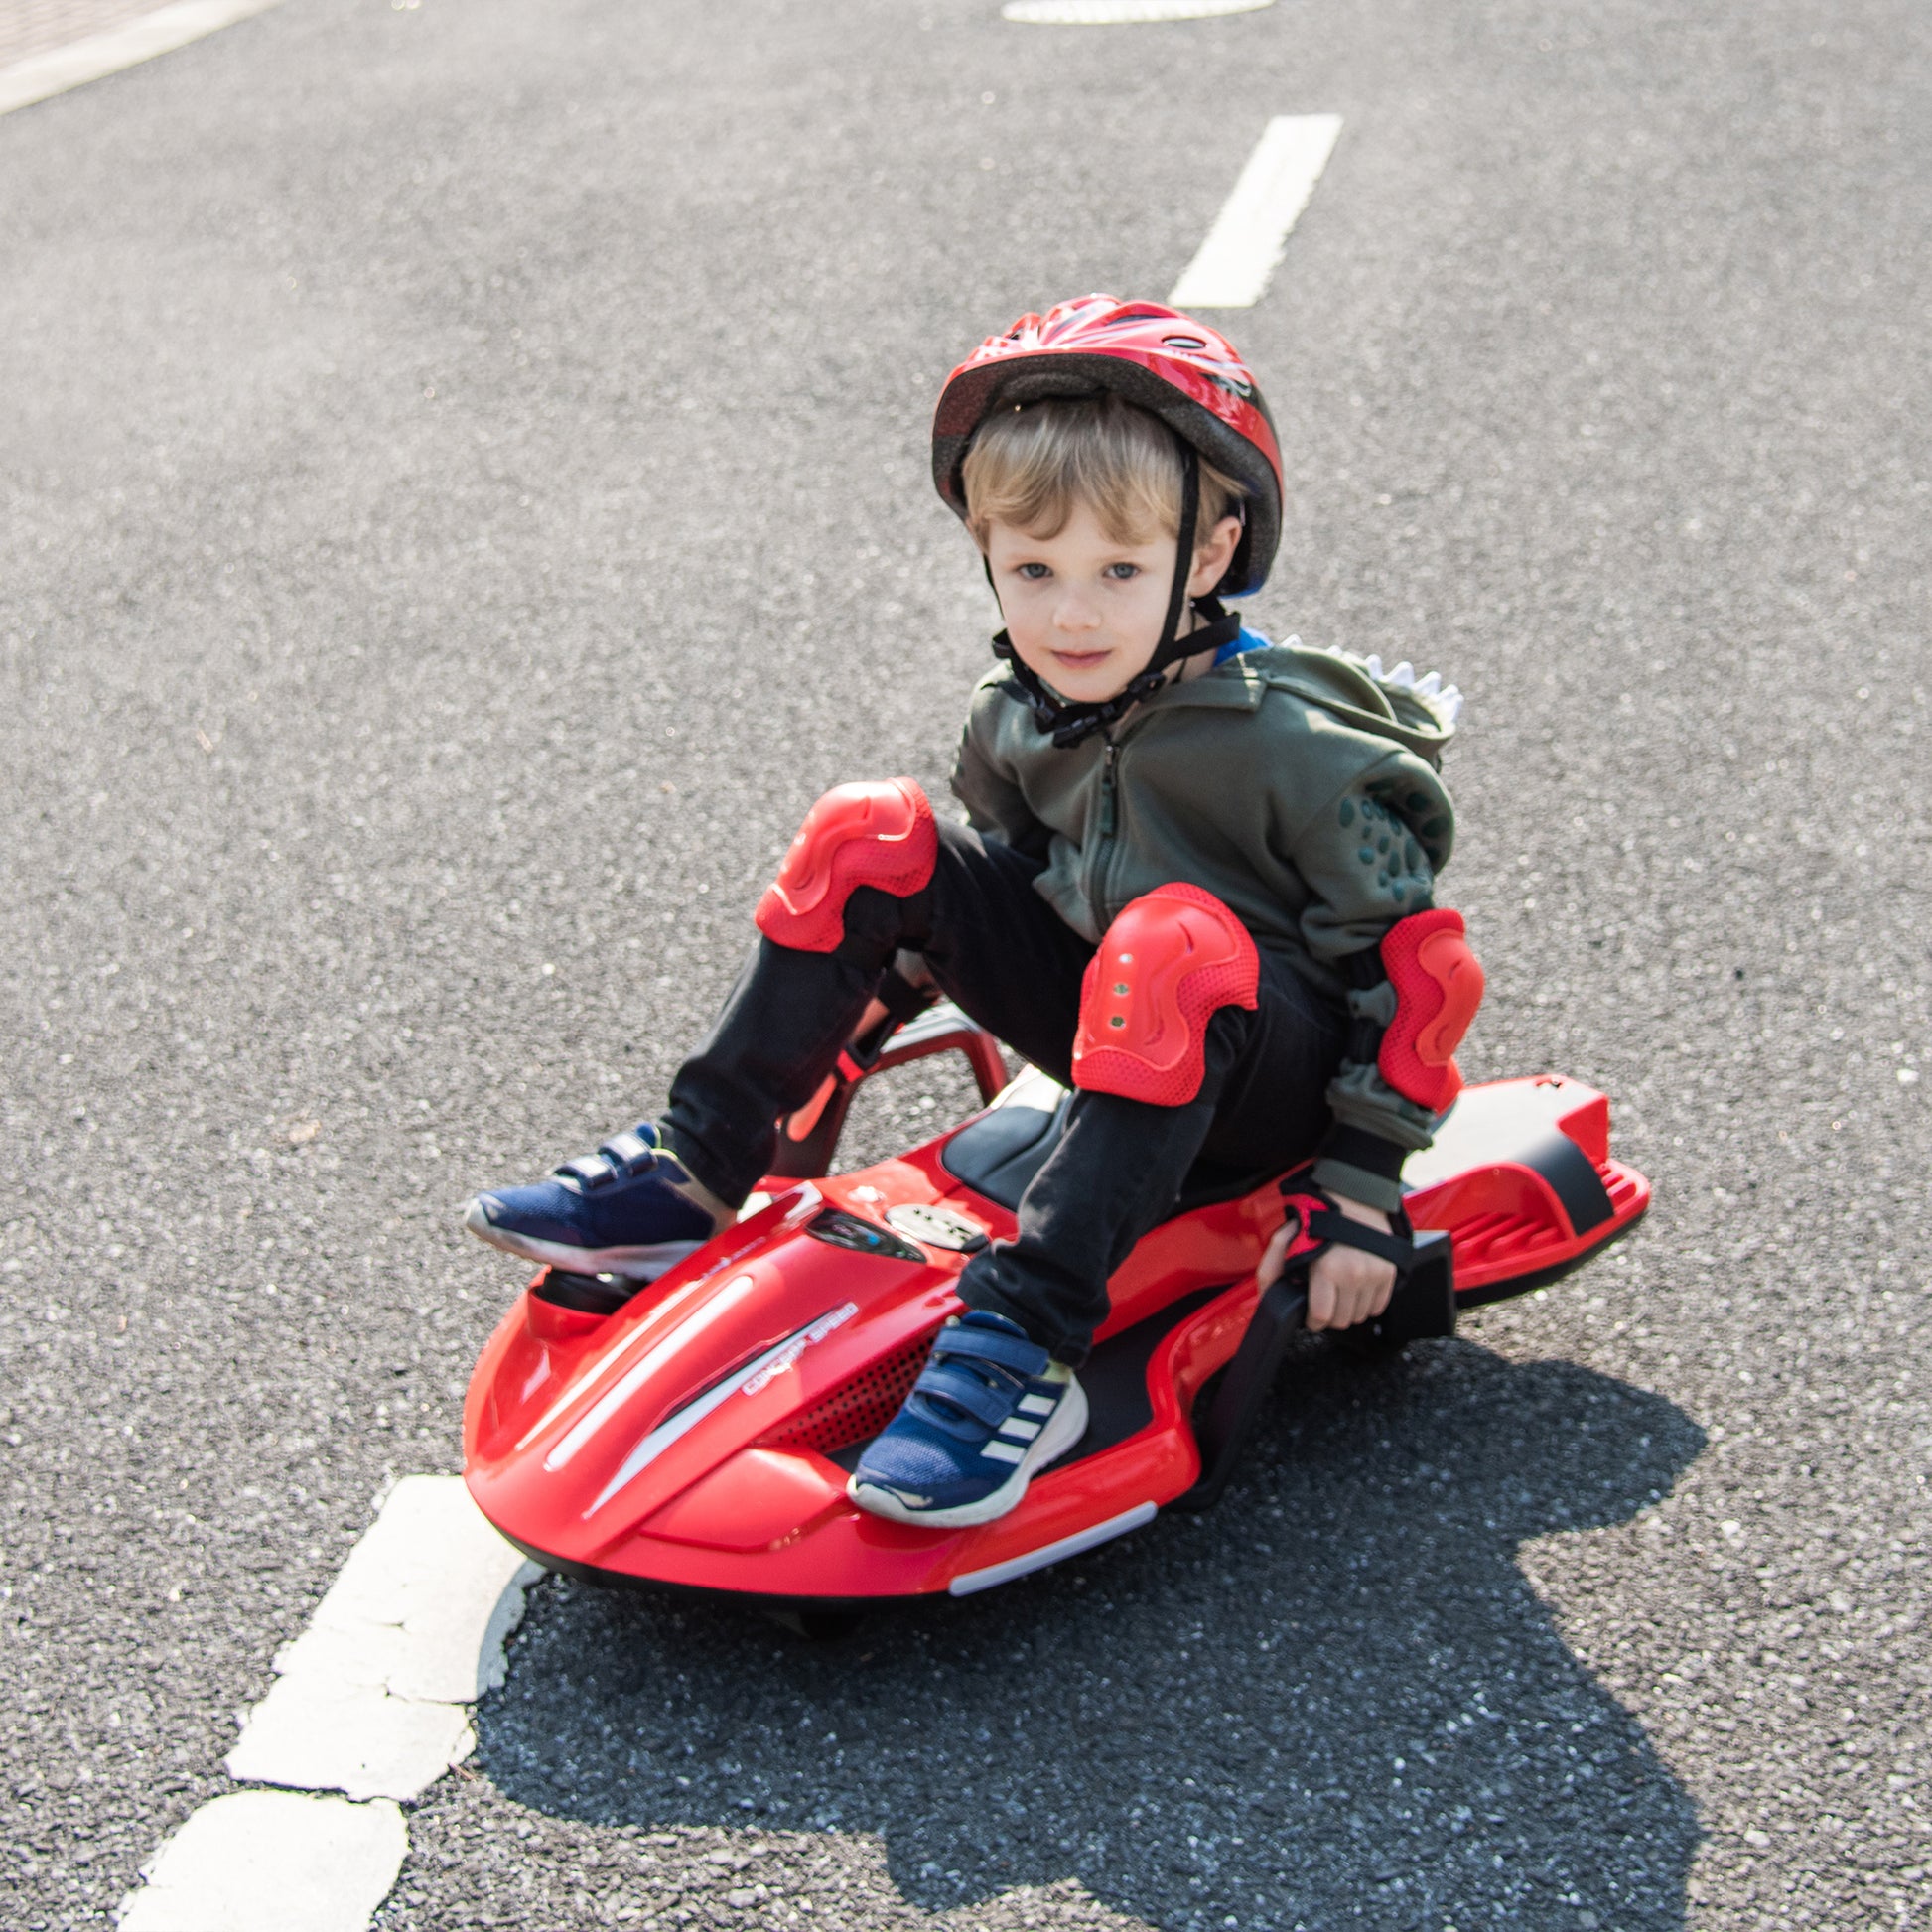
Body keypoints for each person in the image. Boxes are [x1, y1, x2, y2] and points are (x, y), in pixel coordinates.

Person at [462, 295, 1477, 1531]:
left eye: (1118, 569)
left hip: (1269, 1081)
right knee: (870, 829)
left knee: (1171, 938)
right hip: (1127, 1028)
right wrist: (868, 992)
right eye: (1032, 569)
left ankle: (1019, 1343)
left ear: (1204, 558)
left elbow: (1414, 971)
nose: (1071, 615)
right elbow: (1007, 874)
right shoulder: (1020, 713)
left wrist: (1360, 1187)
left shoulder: (1301, 751)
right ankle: (693, 1172)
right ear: (987, 553)